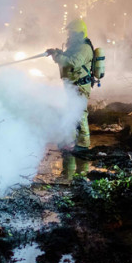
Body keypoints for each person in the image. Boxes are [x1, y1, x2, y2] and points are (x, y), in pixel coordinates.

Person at [47, 18, 95, 178]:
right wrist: (57, 53)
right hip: (73, 86)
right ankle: (72, 141)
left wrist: (58, 56)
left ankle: (83, 145)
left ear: (79, 33)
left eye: (71, 32)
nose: (69, 35)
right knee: (72, 113)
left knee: (80, 114)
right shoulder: (75, 47)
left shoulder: (84, 48)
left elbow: (73, 63)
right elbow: (66, 58)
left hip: (80, 87)